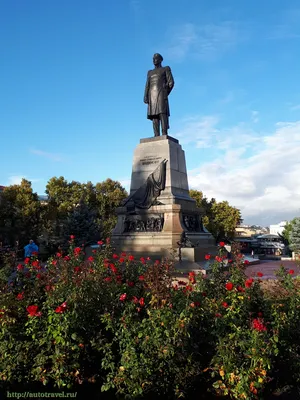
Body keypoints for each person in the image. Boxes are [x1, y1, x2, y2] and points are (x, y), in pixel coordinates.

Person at [144, 53, 174, 136]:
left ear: (160, 60)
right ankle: (156, 134)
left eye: (156, 58)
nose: (154, 60)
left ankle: (164, 133)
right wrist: (145, 95)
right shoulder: (150, 72)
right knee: (154, 115)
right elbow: (147, 85)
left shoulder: (165, 69)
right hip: (151, 95)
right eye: (153, 59)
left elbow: (171, 82)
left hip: (161, 94)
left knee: (162, 113)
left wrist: (165, 92)